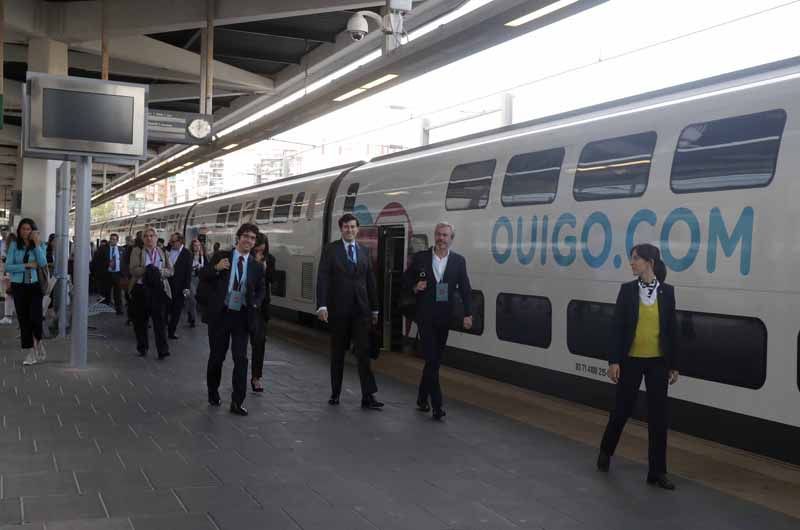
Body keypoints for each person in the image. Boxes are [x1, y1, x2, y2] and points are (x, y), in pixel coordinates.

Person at [597, 243, 680, 490]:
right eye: (631, 259)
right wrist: (613, 361)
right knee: (622, 409)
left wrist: (673, 364)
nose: (631, 263)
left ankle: (657, 472)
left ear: (649, 263)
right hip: (630, 361)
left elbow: (672, 331)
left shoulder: (668, 292)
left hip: (658, 363)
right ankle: (605, 451)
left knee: (658, 417)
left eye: (635, 259)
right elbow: (617, 328)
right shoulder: (627, 291)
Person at [403, 222, 472, 420]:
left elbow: (466, 289)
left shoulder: (459, 261)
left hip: (445, 317)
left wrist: (468, 314)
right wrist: (415, 287)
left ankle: (421, 398)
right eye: (439, 235)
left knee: (434, 362)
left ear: (451, 239)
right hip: (425, 316)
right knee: (432, 360)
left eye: (445, 235)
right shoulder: (421, 258)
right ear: (434, 236)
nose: (441, 238)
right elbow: (405, 280)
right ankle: (437, 405)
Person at [316, 213, 382, 409]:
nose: (350, 230)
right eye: (346, 227)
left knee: (364, 352)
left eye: (353, 227)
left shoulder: (364, 250)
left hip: (361, 310)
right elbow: (323, 278)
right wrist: (322, 305)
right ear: (341, 228)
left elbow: (370, 281)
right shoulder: (330, 250)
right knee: (337, 353)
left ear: (357, 229)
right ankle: (335, 393)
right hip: (338, 310)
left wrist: (375, 308)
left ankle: (368, 396)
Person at [201, 223, 266, 416]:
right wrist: (216, 268)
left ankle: (237, 402)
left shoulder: (256, 266)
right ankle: (213, 392)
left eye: (253, 238)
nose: (249, 240)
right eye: (246, 236)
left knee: (241, 359)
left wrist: (255, 303)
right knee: (217, 357)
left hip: (242, 316)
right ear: (238, 238)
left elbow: (262, 290)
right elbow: (203, 276)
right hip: (221, 314)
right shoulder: (222, 256)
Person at [5, 219, 48, 365]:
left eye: (29, 229)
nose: (25, 232)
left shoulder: (40, 244)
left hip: (35, 286)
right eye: (23, 229)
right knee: (24, 320)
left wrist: (36, 244)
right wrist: (27, 265)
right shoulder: (13, 246)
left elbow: (42, 263)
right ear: (19, 230)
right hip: (19, 287)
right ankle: (31, 352)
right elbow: (8, 267)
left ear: (33, 231)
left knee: (36, 318)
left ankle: (39, 341)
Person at [128, 227, 173, 359]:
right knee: (140, 322)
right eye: (146, 236)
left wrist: (158, 272)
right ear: (143, 239)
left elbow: (171, 270)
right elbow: (133, 270)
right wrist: (148, 270)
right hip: (141, 290)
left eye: (152, 236)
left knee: (159, 321)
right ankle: (142, 347)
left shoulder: (162, 252)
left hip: (158, 291)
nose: (149, 238)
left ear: (156, 238)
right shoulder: (137, 251)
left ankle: (163, 350)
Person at [249, 233, 274, 392]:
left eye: (262, 247)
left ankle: (256, 377)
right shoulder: (245, 257)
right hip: (244, 305)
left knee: (259, 342)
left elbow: (271, 279)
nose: (260, 249)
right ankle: (240, 372)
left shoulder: (270, 259)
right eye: (258, 246)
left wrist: (262, 267)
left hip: (261, 307)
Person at [167, 232, 192, 339]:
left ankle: (171, 331)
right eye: (170, 241)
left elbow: (188, 272)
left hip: (180, 287)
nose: (171, 243)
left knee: (177, 311)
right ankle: (164, 326)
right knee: (166, 309)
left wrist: (187, 288)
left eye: (173, 241)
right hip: (166, 285)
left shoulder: (187, 254)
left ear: (180, 241)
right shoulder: (167, 251)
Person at [185, 239, 207, 328]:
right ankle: (193, 319)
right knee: (192, 299)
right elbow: (187, 269)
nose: (197, 247)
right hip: (191, 279)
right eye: (195, 245)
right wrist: (194, 268)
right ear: (192, 247)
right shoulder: (189, 256)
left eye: (198, 245)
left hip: (200, 280)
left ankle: (190, 314)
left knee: (193, 299)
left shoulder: (203, 257)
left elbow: (207, 268)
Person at [103, 233, 125, 315]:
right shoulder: (104, 249)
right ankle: (106, 307)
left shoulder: (121, 249)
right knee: (106, 292)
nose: (112, 240)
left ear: (117, 240)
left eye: (114, 239)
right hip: (107, 274)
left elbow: (123, 262)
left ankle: (119, 309)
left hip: (117, 274)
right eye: (111, 239)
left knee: (118, 293)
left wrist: (123, 274)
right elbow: (100, 261)